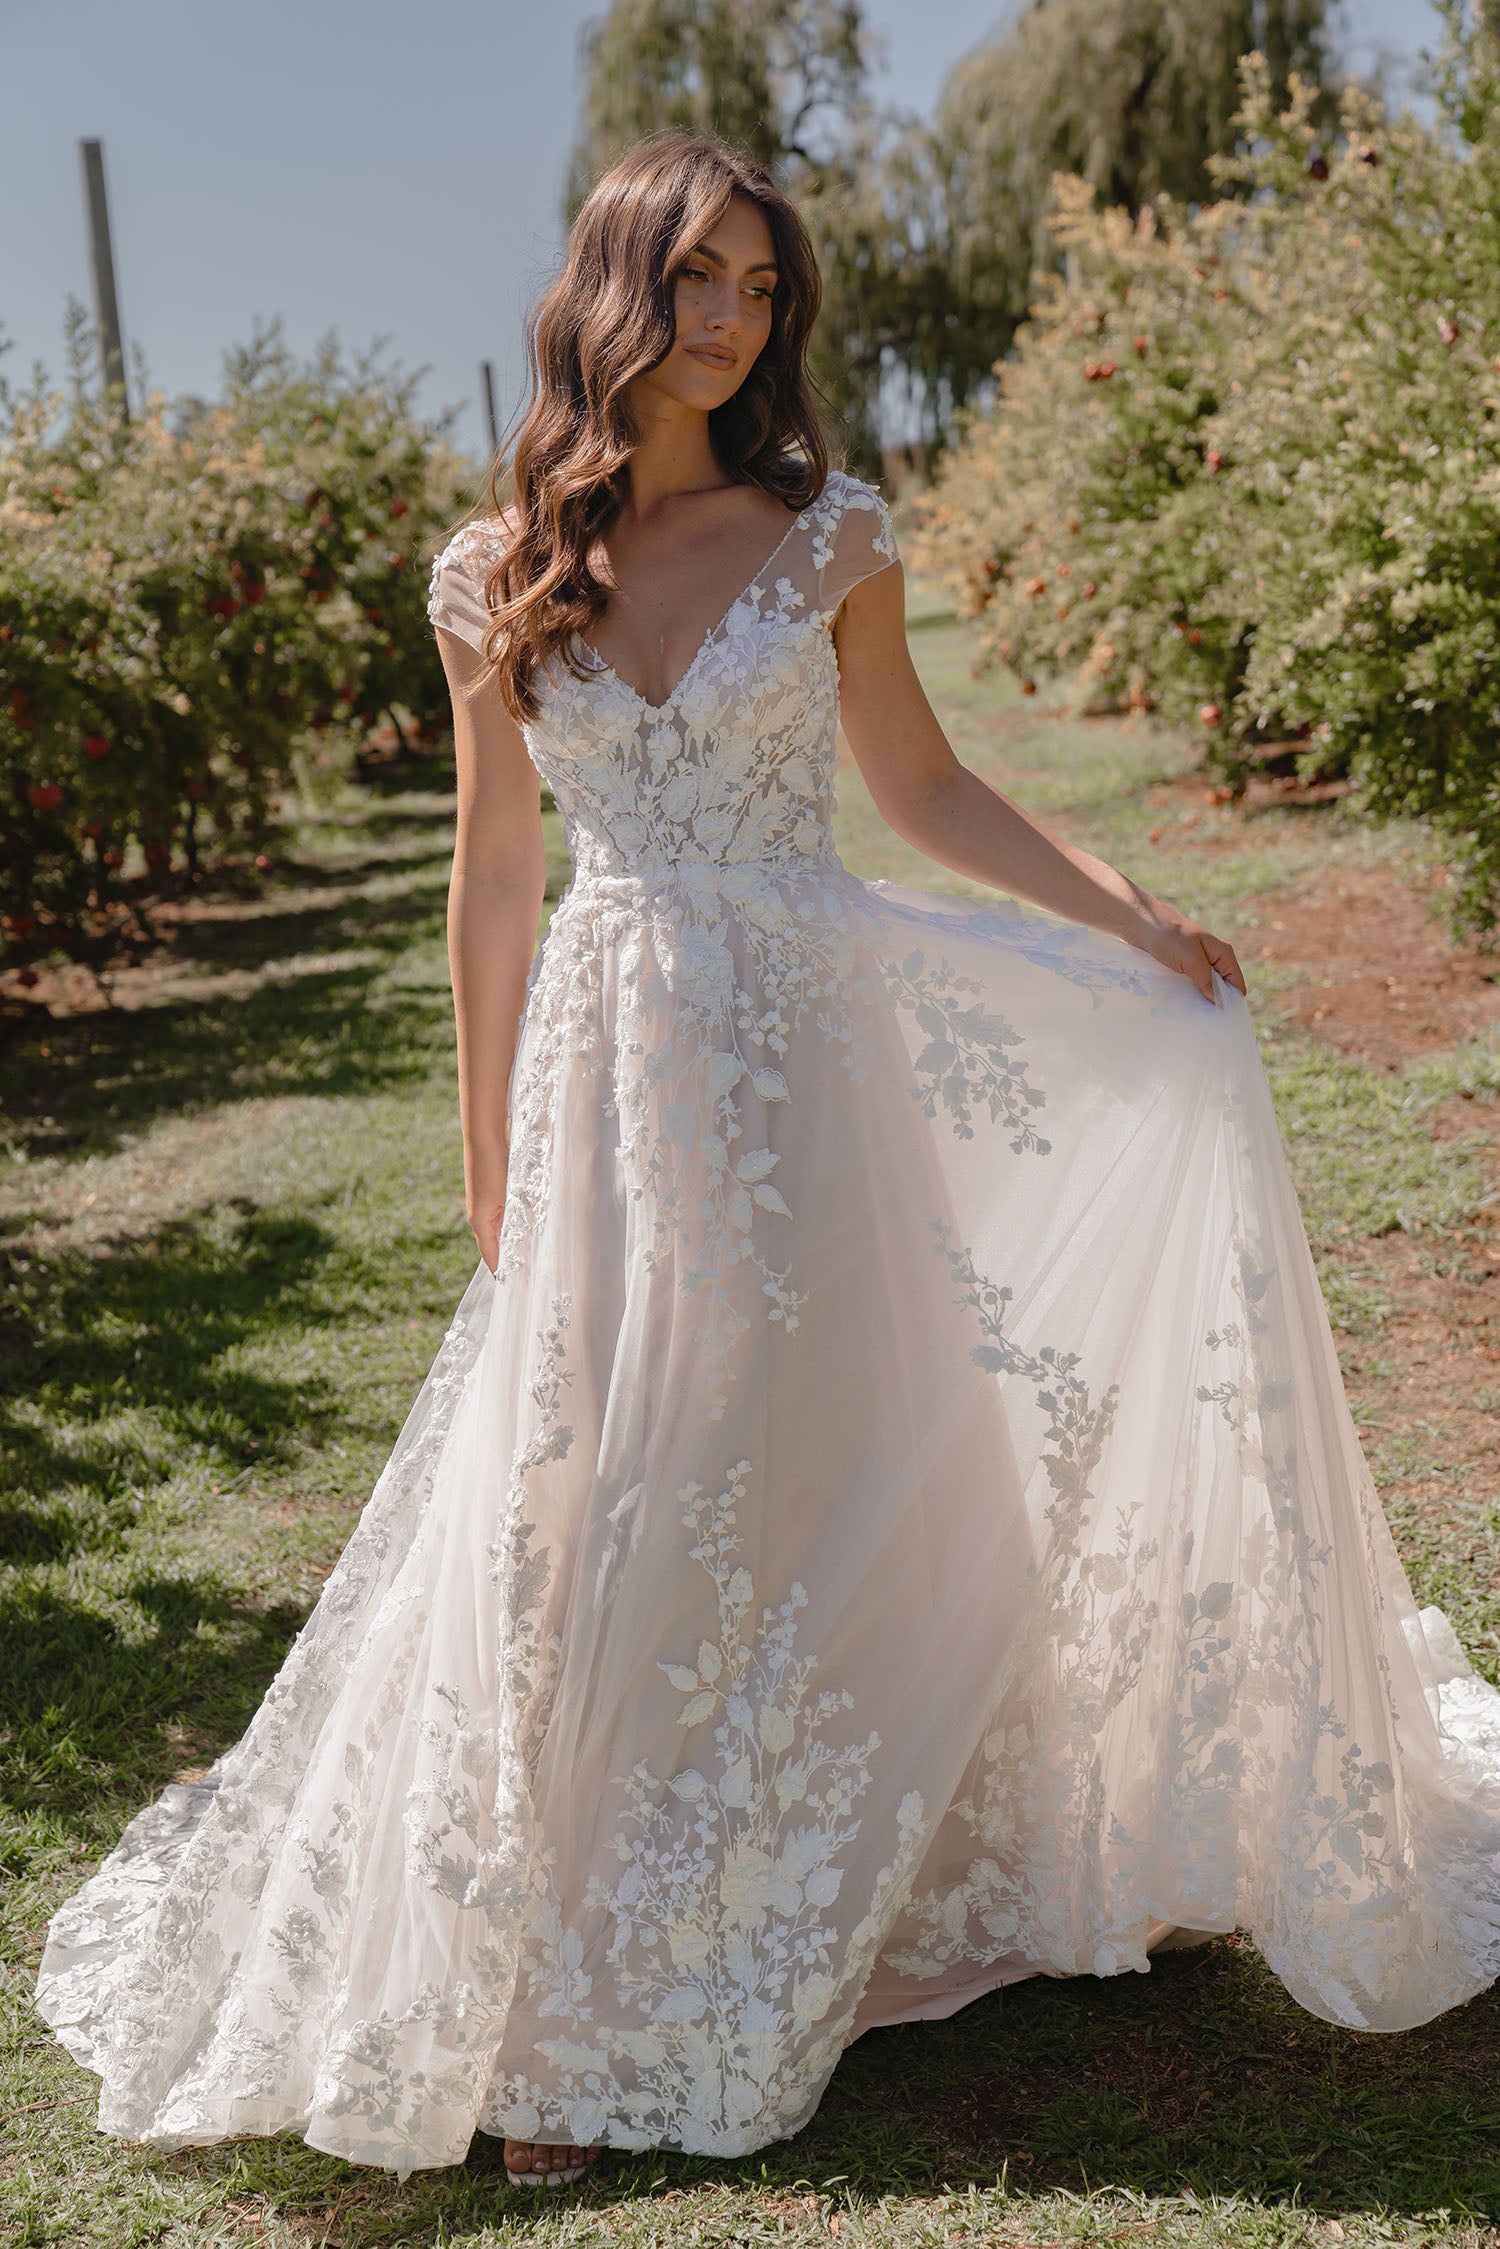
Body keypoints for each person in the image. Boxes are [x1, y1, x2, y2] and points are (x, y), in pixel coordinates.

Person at [35, 131, 1500, 2195]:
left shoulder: (829, 537)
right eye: (698, 277)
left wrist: (1124, 912)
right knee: (606, 1493)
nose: (730, 319)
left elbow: (922, 784)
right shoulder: (493, 568)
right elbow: (491, 882)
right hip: (613, 1073)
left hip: (806, 1065)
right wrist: (487, 1154)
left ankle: (763, 1925)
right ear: (612, 283)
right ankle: (559, 1987)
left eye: (758, 290)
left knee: (796, 1460)